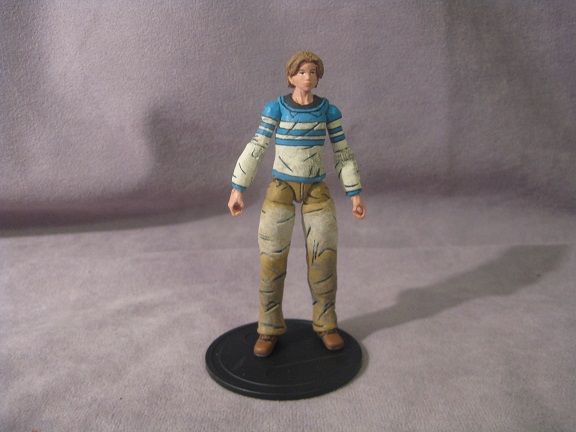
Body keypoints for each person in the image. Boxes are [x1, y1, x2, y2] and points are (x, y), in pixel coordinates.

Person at [227, 51, 366, 357]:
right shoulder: (276, 108)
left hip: (316, 188)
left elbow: (342, 151)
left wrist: (354, 193)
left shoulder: (328, 111)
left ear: (319, 76)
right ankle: (268, 327)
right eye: (301, 72)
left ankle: (326, 323)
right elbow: (258, 145)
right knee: (272, 257)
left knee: (324, 256)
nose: (308, 77)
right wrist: (238, 187)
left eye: (313, 71)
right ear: (290, 76)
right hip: (281, 188)